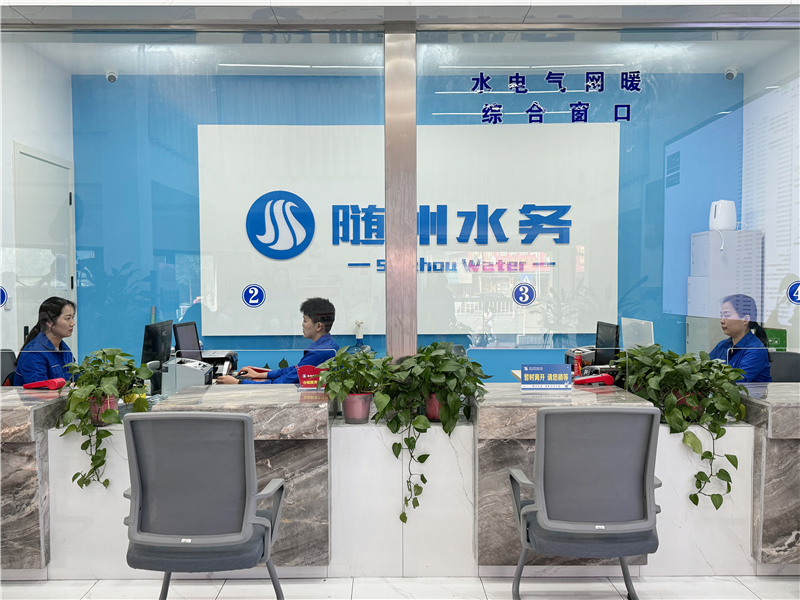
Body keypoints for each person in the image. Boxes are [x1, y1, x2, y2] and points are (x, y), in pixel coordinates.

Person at [217, 297, 339, 385]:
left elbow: (283, 382)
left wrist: (238, 383)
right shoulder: (328, 346)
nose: (302, 325)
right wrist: (259, 374)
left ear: (318, 326)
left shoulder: (318, 353)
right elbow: (296, 370)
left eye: (305, 321)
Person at [709, 294, 771, 383]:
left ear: (745, 319)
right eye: (721, 315)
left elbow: (737, 382)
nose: (721, 321)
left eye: (727, 315)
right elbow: (704, 368)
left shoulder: (755, 349)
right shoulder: (723, 345)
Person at [15, 297, 76, 386]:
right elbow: (40, 391)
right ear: (50, 322)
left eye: (72, 317)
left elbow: (77, 378)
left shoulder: (64, 348)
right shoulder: (34, 353)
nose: (73, 323)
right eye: (68, 318)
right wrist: (69, 386)